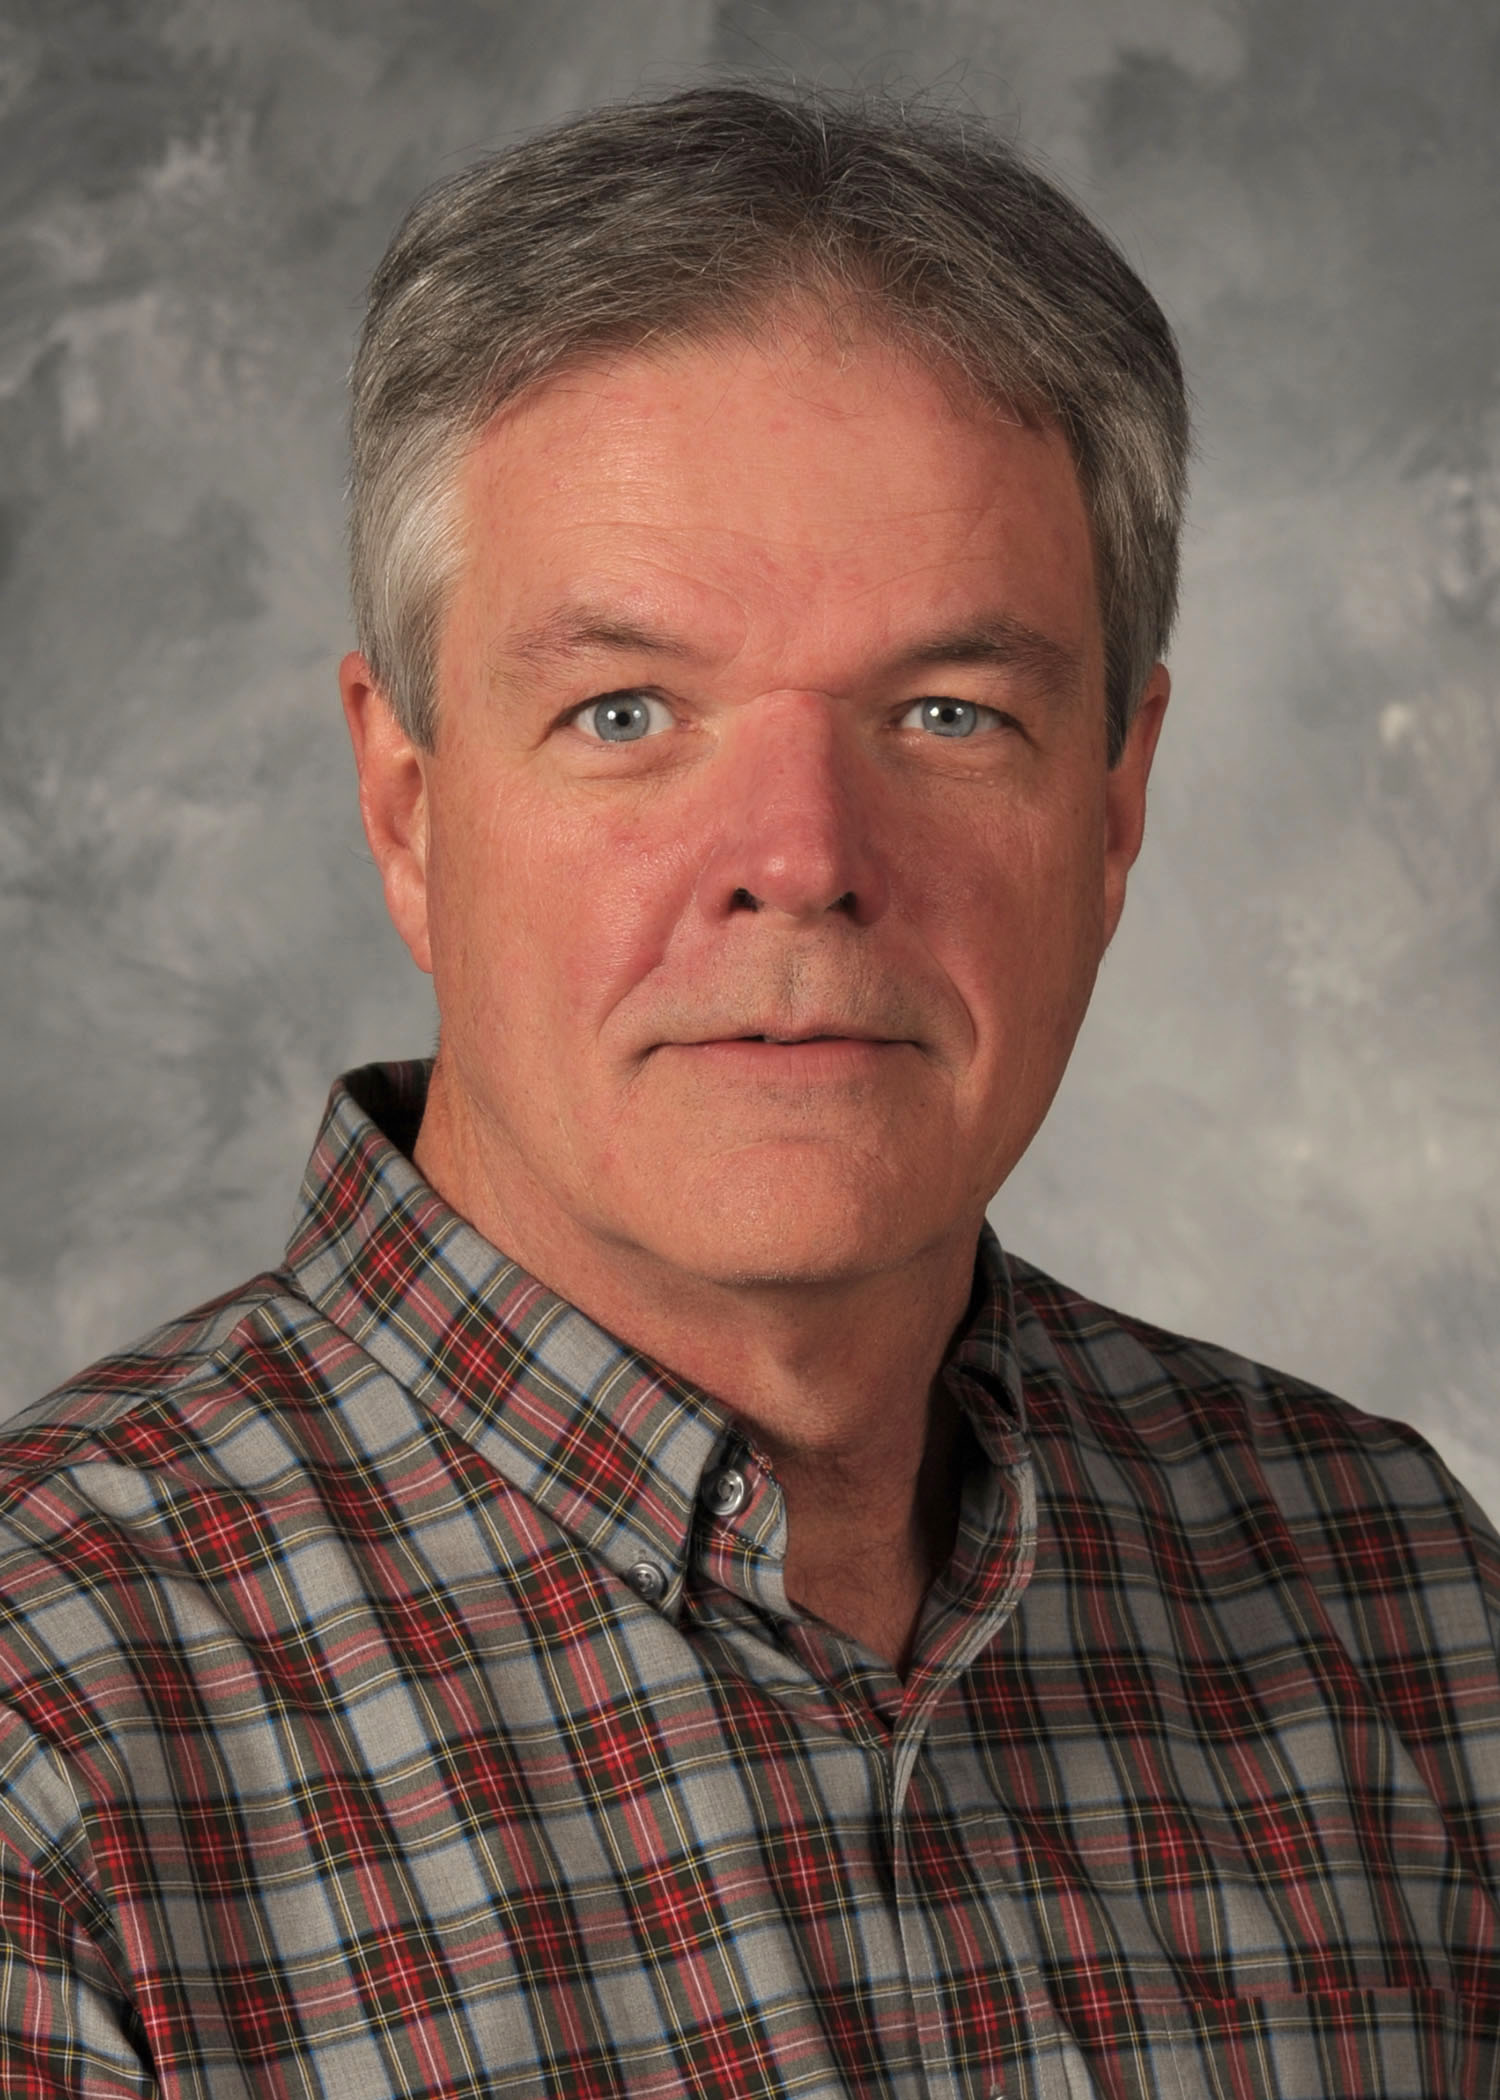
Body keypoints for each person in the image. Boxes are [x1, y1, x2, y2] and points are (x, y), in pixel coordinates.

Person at [1, 84, 1496, 2100]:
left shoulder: (1396, 1595)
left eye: (948, 712)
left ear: (1116, 804)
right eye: (628, 711)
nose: (800, 851)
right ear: (409, 802)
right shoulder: (50, 1743)